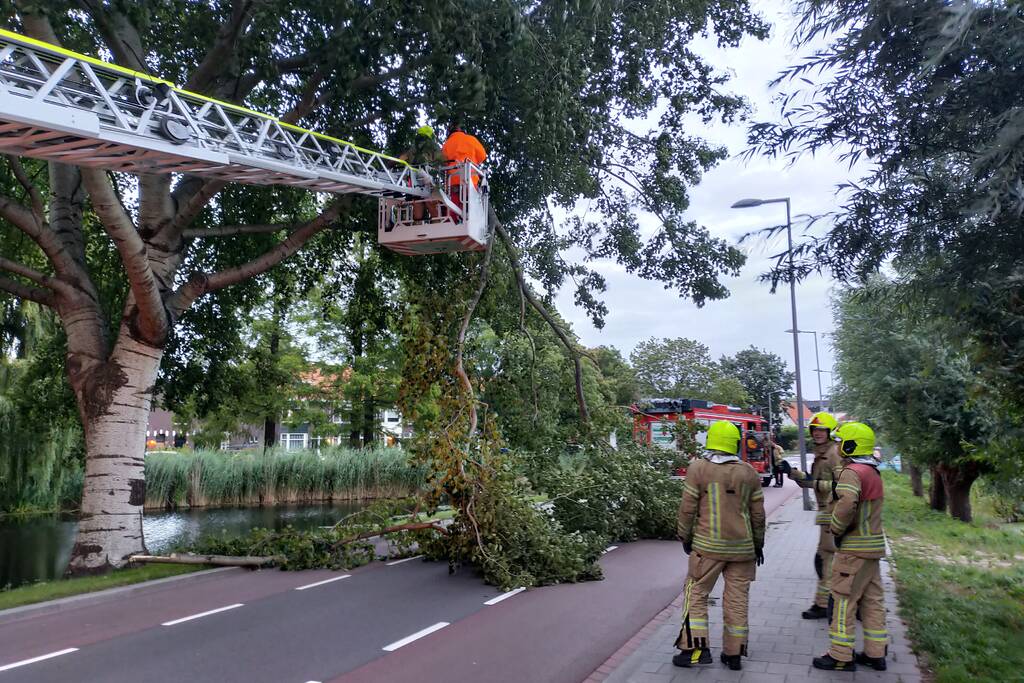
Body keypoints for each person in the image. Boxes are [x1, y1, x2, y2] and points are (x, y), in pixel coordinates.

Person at [674, 421, 766, 672]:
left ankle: (694, 651)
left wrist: (685, 537)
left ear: (710, 441)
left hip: (708, 548)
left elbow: (687, 509)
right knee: (737, 600)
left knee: (696, 594)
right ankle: (734, 654)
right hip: (743, 550)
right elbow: (758, 515)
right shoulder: (749, 472)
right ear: (735, 443)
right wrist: (758, 545)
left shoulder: (698, 469)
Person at [813, 422, 888, 672]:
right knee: (873, 600)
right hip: (874, 548)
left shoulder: (852, 471)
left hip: (854, 549)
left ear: (850, 444)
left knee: (843, 599)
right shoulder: (873, 471)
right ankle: (876, 654)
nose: (838, 445)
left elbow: (846, 505)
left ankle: (840, 655)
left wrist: (835, 528)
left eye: (841, 440)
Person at [778, 411, 843, 618]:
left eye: (822, 430)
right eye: (815, 430)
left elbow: (843, 485)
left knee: (825, 559)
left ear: (830, 432)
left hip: (834, 512)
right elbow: (812, 480)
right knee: (824, 558)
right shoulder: (822, 453)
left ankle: (827, 605)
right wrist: (792, 472)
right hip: (826, 512)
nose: (817, 433)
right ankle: (825, 603)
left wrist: (814, 483)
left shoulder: (834, 453)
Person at [399, 125, 445, 221]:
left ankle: (417, 227)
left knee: (418, 213)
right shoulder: (433, 146)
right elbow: (442, 162)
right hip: (429, 181)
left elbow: (401, 159)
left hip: (414, 183)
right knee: (432, 207)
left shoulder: (412, 147)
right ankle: (437, 225)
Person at [440, 124, 487, 213]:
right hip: (471, 181)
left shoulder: (447, 144)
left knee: (455, 211)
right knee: (473, 213)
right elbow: (482, 156)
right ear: (461, 130)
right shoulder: (471, 139)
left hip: (453, 182)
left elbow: (444, 162)